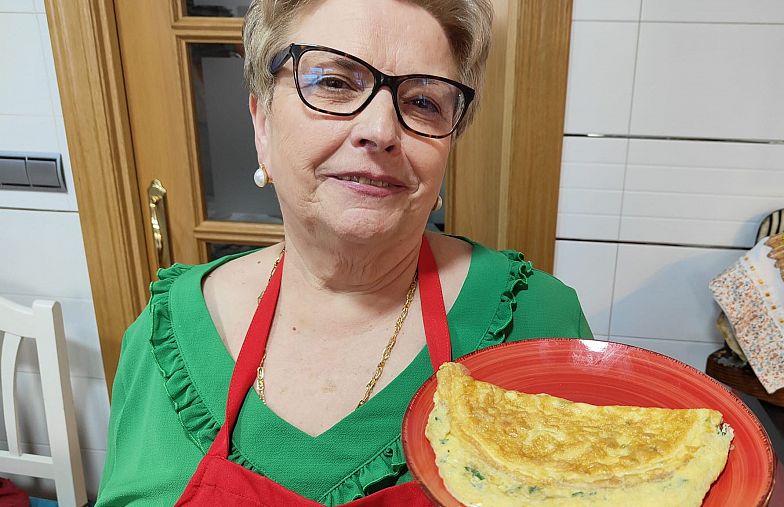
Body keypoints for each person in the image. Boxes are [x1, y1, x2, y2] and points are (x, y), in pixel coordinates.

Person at [96, 0, 591, 504]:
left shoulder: (540, 322)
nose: (380, 131)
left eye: (423, 102)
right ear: (262, 124)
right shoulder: (162, 337)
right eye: (334, 82)